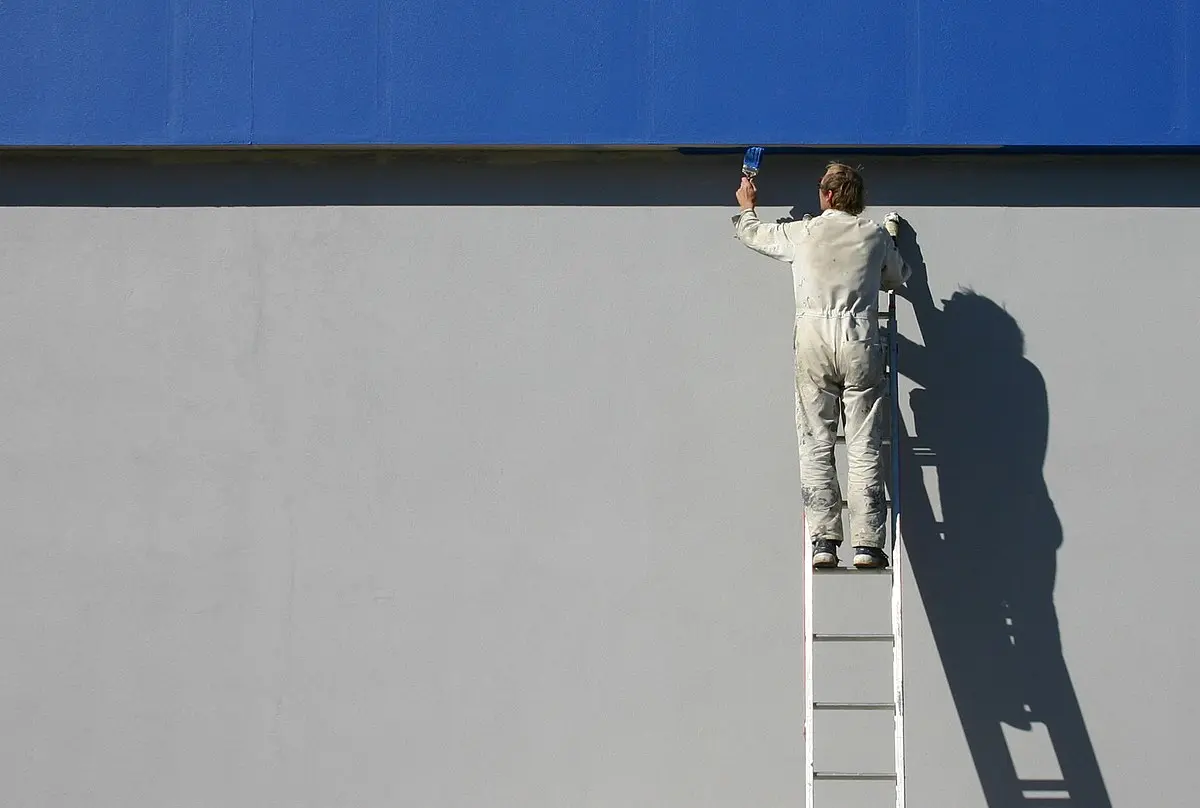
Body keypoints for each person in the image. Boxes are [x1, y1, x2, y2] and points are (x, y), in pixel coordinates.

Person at [732, 162, 910, 568]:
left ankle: (825, 541)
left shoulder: (805, 232)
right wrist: (891, 245)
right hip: (858, 337)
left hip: (813, 337)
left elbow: (754, 234)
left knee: (816, 440)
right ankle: (867, 545)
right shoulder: (873, 234)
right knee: (864, 444)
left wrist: (747, 205)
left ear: (828, 196)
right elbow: (897, 277)